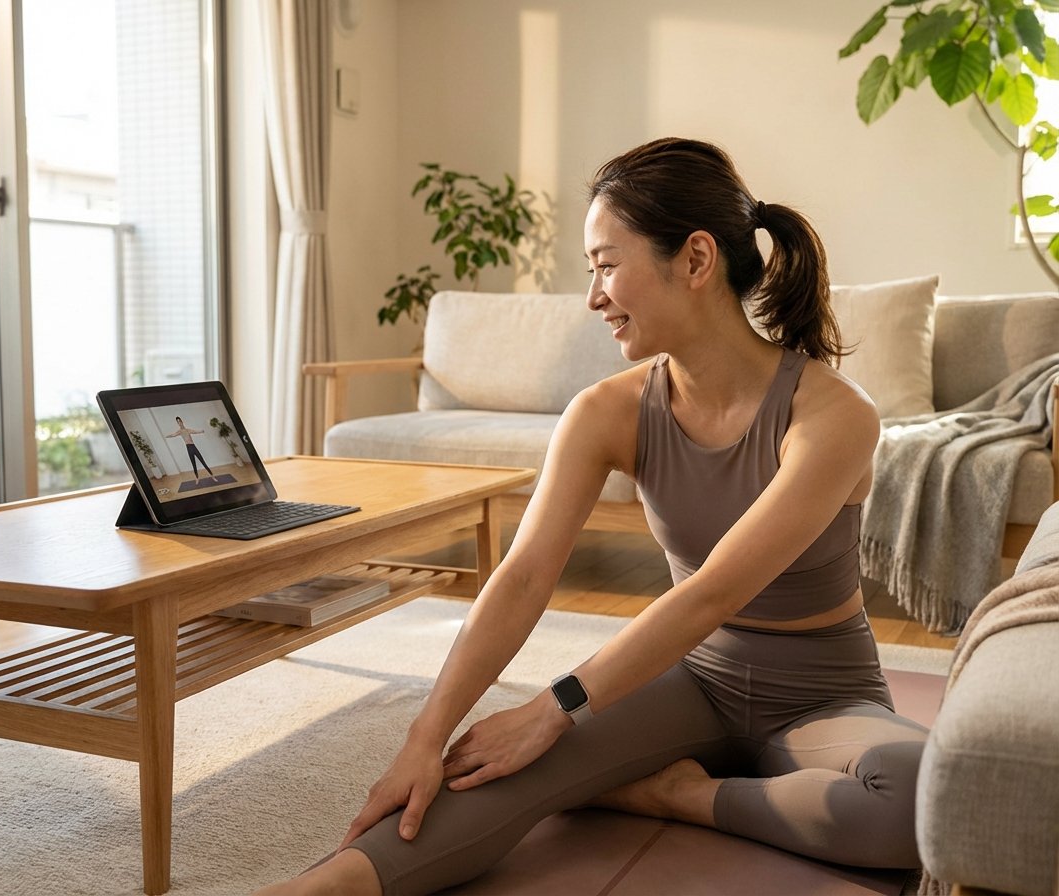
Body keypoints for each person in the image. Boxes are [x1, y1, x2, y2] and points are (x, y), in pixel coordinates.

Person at [254, 137, 927, 896]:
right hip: (692, 678)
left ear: (696, 260)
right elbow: (525, 574)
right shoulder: (606, 412)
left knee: (913, 798)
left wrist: (557, 706)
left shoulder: (832, 413)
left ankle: (674, 794)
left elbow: (713, 592)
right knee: (494, 765)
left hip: (823, 692)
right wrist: (426, 735)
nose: (593, 296)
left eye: (607, 265)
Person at [165, 416, 215, 481]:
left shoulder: (188, 430)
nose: (179, 423)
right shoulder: (179, 432)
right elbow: (173, 435)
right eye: (178, 422)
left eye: (179, 421)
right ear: (177, 424)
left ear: (182, 421)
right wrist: (167, 436)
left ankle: (212, 476)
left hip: (193, 447)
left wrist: (201, 431)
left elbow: (195, 431)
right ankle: (197, 478)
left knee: (203, 462)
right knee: (193, 464)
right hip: (188, 448)